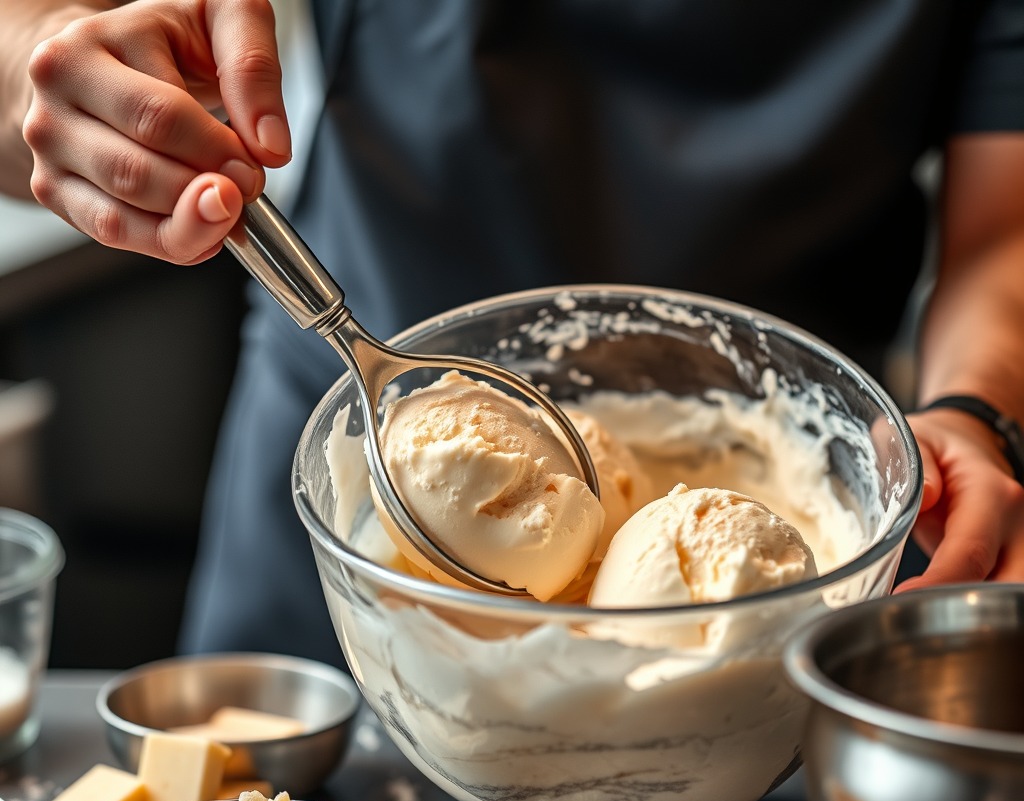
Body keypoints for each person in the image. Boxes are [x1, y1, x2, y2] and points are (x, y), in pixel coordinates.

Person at [2, 1, 1023, 666]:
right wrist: (58, 77)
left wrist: (974, 409)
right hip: (348, 521)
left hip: (794, 598)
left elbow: (1000, 234)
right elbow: (39, 54)